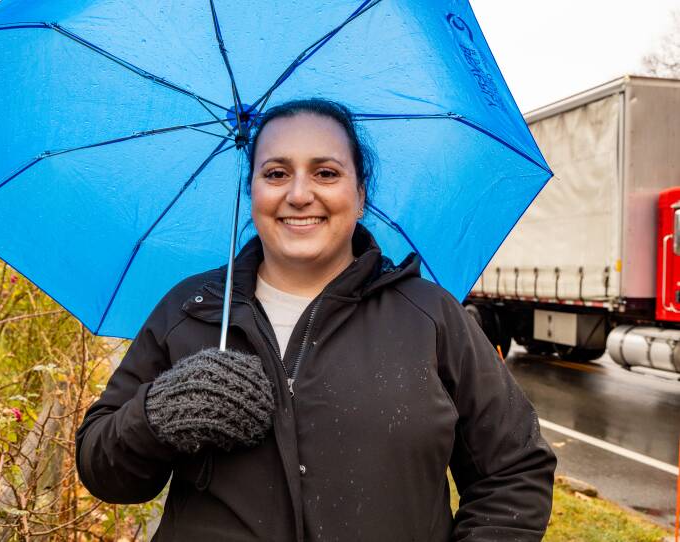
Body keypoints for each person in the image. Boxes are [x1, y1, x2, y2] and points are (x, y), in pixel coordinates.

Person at [75, 98, 557, 541]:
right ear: (253, 192)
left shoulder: (431, 317)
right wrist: (159, 414)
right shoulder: (190, 311)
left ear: (361, 194)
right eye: (276, 173)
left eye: (325, 173)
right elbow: (104, 471)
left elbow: (514, 471)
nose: (299, 194)